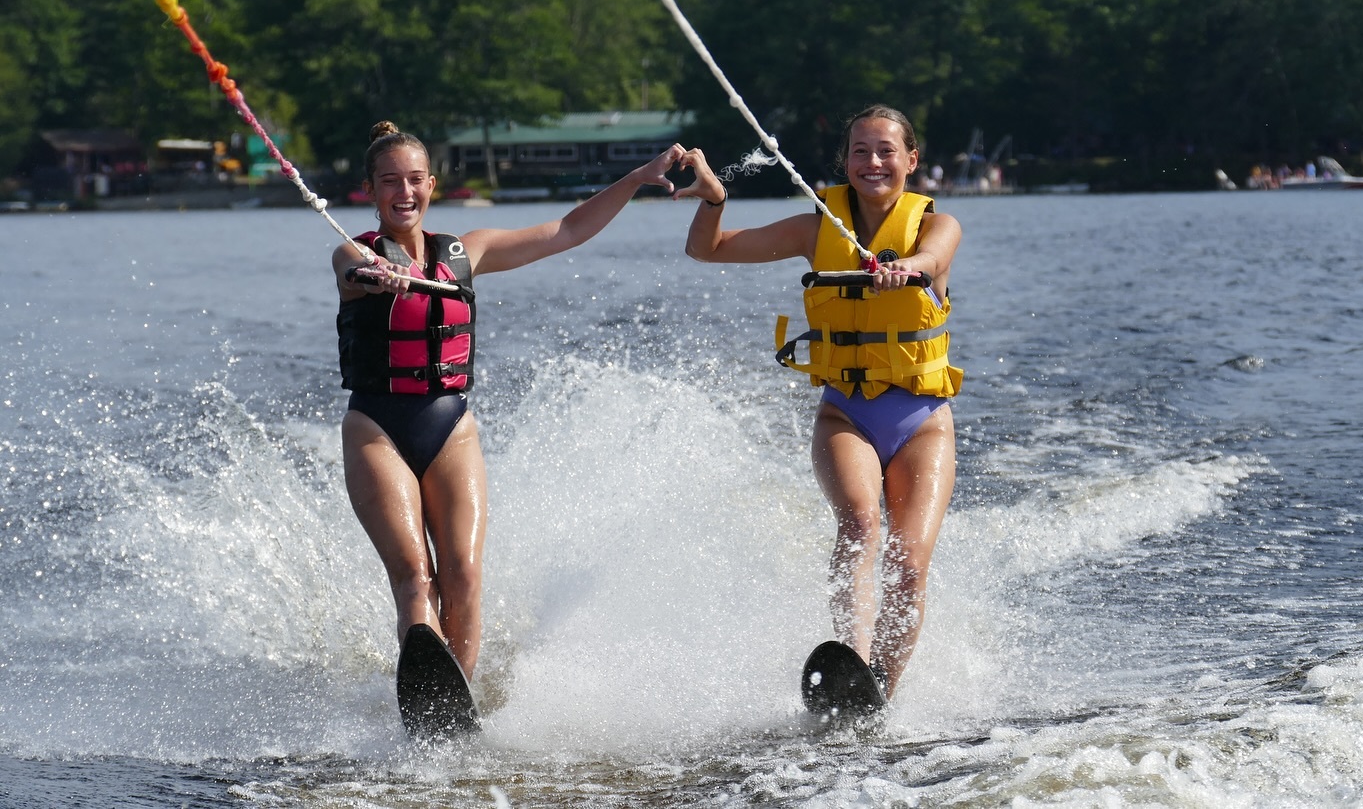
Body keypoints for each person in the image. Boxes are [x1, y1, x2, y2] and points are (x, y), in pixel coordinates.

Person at [334, 120, 684, 682]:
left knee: (465, 575)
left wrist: (638, 178)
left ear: (432, 186)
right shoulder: (353, 253)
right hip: (377, 428)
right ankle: (423, 676)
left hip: (450, 426)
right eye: (390, 182)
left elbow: (569, 229)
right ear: (371, 191)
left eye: (415, 180)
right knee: (415, 577)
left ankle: (458, 697)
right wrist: (380, 276)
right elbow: (351, 274)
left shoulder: (469, 251)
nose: (404, 193)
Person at [675, 105, 963, 701]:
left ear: (911, 160)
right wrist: (713, 198)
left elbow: (933, 259)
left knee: (908, 564)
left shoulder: (939, 226)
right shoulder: (818, 228)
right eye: (860, 151)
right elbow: (710, 250)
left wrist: (904, 268)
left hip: (922, 422)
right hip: (847, 415)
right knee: (859, 523)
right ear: (845, 162)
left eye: (886, 150)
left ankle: (880, 686)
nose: (873, 161)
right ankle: (851, 662)